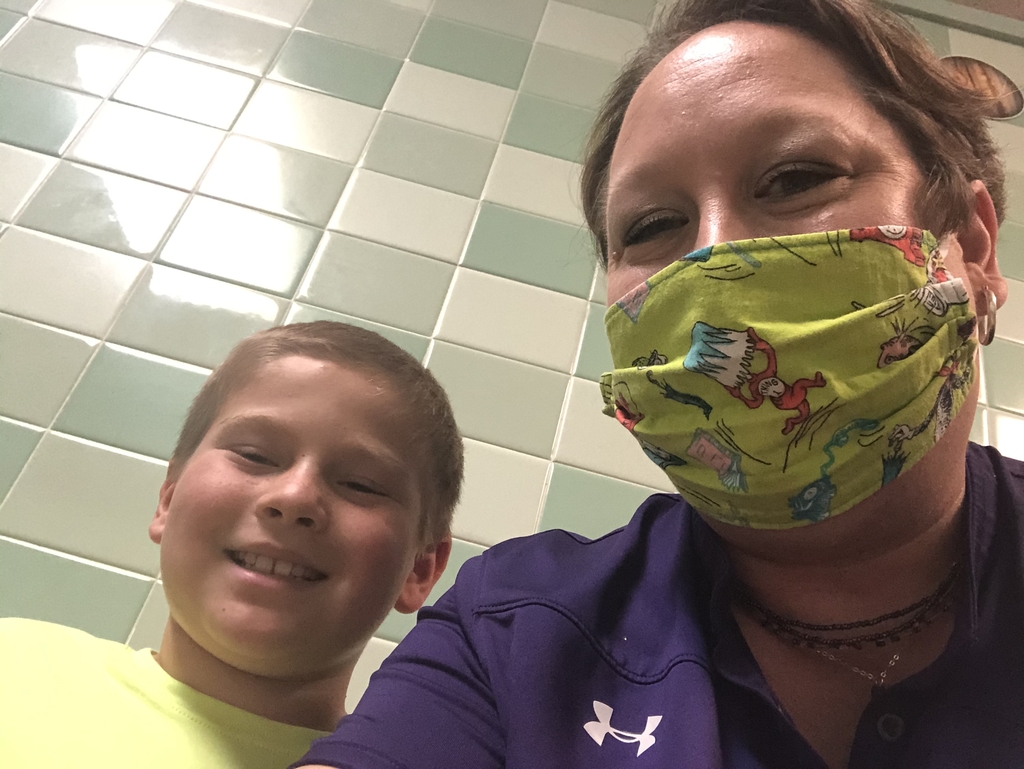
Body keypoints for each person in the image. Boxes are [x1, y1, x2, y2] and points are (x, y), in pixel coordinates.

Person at [295, 1, 1024, 768]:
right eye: (650, 227)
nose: (712, 260)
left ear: (973, 246)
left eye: (796, 178)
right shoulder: (510, 637)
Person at [0, 321, 461, 768]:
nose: (294, 496)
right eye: (254, 455)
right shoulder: (13, 662)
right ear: (168, 498)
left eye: (361, 484)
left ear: (420, 569)